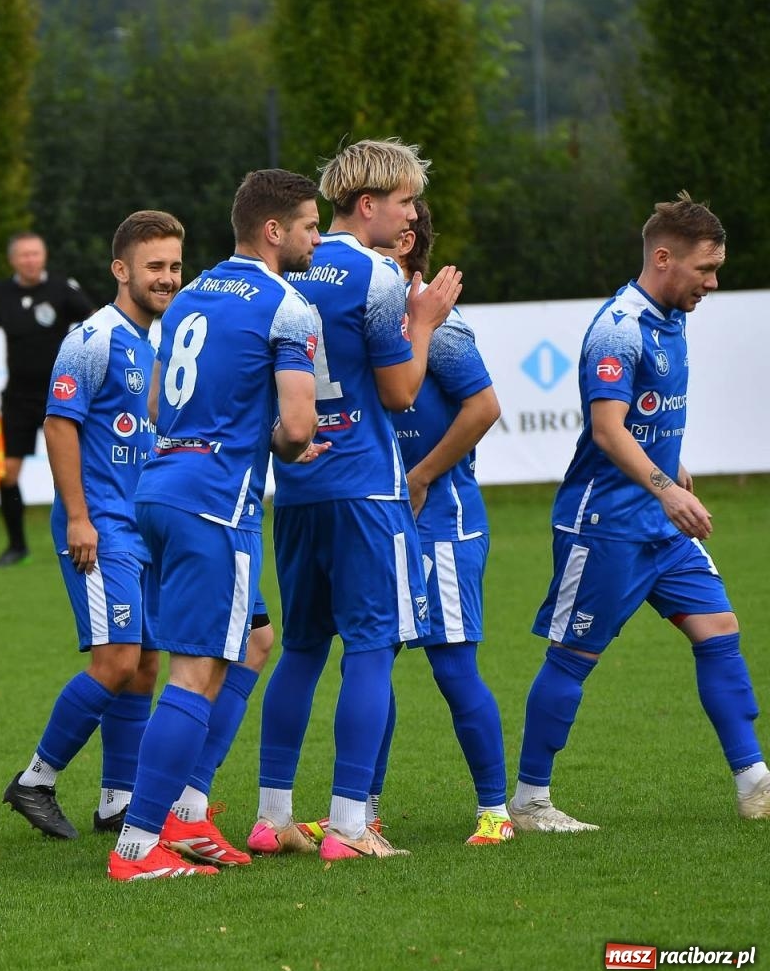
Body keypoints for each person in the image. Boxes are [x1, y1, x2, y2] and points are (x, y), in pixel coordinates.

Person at [509, 193, 770, 831]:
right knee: (573, 659)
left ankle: (755, 783)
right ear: (662, 258)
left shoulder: (671, 318)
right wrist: (667, 487)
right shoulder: (619, 327)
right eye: (705, 270)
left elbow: (645, 417)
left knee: (720, 632)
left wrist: (672, 468)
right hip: (605, 527)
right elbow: (606, 429)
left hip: (659, 528)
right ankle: (531, 800)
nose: (714, 283)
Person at [107, 171, 324, 882]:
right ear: (274, 231)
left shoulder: (193, 290)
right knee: (195, 671)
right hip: (214, 505)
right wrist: (283, 439)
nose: (316, 239)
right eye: (309, 226)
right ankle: (139, 844)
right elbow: (297, 426)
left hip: (162, 486)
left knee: (255, 640)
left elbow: (159, 400)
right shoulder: (289, 305)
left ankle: (191, 814)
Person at [250, 139, 460, 862]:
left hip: (300, 484)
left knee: (302, 650)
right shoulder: (377, 276)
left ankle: (272, 814)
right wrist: (425, 318)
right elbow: (401, 393)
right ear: (366, 204)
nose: (411, 218)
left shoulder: (289, 273)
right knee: (371, 649)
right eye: (404, 202)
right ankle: (348, 824)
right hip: (367, 488)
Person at [1, 210, 184, 841]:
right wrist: (79, 516)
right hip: (101, 525)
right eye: (154, 266)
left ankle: (117, 798)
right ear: (121, 269)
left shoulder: (162, 340)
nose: (166, 278)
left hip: (146, 525)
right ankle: (36, 779)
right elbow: (59, 423)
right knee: (116, 658)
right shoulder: (93, 336)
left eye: (174, 267)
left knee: (145, 664)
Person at [375, 199, 513, 846]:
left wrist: (424, 474)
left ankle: (495, 812)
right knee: (370, 662)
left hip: (444, 521)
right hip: (384, 517)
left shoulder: (443, 324)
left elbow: (484, 408)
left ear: (403, 243)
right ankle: (360, 811)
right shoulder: (373, 315)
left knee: (453, 666)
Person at [0, 233, 93, 566]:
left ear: (44, 256)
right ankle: (17, 546)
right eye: (24, 255)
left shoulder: (61, 288)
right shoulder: (1, 293)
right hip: (18, 398)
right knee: (7, 474)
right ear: (13, 260)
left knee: (80, 468)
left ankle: (90, 532)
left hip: (62, 396)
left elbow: (95, 323)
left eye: (36, 254)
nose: (30, 260)